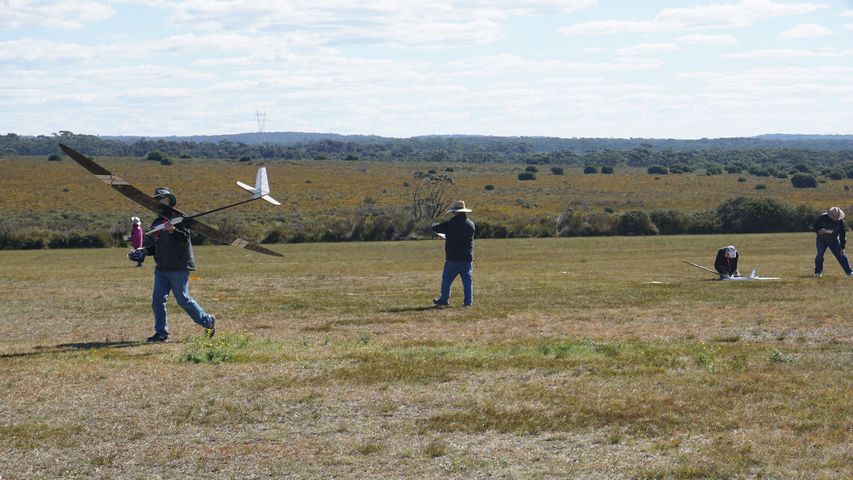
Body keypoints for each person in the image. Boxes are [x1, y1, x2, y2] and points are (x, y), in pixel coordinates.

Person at [138, 187, 216, 342]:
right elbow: (158, 246)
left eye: (164, 200)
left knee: (183, 299)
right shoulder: (157, 223)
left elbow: (184, 238)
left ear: (171, 202)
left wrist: (173, 230)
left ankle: (207, 321)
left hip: (178, 267)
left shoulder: (180, 219)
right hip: (161, 268)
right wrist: (144, 251)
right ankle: (161, 333)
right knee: (157, 301)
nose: (161, 203)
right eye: (158, 201)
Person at [431, 200, 475, 307]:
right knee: (467, 281)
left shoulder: (450, 224)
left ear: (455, 212)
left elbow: (436, 228)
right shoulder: (471, 224)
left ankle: (444, 299)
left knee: (446, 280)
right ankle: (468, 302)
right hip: (467, 257)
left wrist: (434, 224)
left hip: (453, 258)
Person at [812, 206, 852, 277]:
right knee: (820, 255)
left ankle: (849, 272)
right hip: (821, 240)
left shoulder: (840, 221)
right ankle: (818, 272)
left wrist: (842, 247)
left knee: (841, 255)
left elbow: (842, 234)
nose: (835, 220)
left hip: (834, 241)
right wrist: (819, 231)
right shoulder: (823, 217)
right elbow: (813, 226)